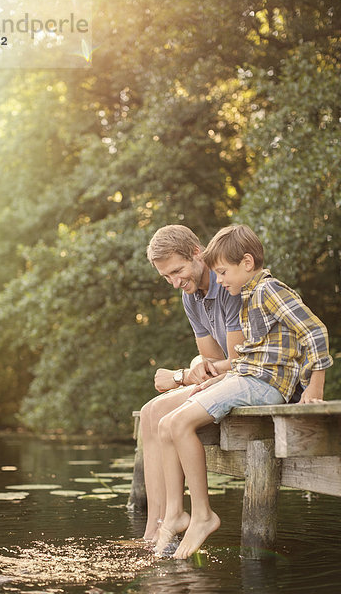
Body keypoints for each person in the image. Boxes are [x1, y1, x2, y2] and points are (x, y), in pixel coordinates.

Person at [154, 224, 333, 559]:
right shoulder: (249, 296)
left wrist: (314, 384)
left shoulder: (269, 290)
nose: (219, 280)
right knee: (165, 425)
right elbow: (253, 356)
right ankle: (176, 513)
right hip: (248, 377)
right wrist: (213, 377)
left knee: (178, 425)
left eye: (222, 272)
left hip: (264, 385)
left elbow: (315, 331)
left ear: (247, 263)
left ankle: (203, 515)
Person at [140, 225, 244, 542]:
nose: (174, 283)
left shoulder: (227, 285)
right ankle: (156, 528)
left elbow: (239, 360)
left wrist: (182, 376)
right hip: (223, 376)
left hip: (247, 378)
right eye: (166, 277)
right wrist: (197, 368)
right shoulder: (191, 296)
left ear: (197, 253)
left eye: (177, 271)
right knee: (149, 413)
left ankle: (168, 523)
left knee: (164, 412)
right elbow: (210, 359)